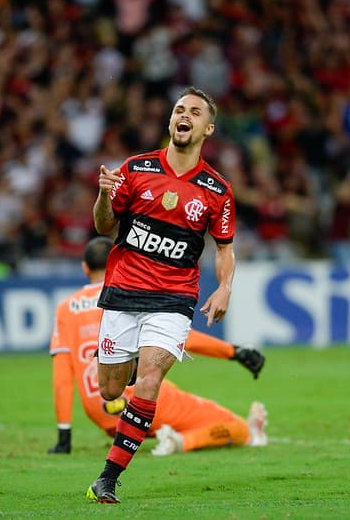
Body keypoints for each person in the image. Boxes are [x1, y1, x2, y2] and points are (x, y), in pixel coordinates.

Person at [86, 87, 236, 504]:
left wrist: (225, 287)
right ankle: (131, 363)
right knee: (111, 390)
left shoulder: (217, 189)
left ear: (208, 129)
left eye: (195, 112)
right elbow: (103, 226)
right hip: (124, 290)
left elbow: (225, 249)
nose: (184, 115)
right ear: (171, 121)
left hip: (174, 298)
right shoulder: (136, 169)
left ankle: (108, 478)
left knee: (150, 381)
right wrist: (104, 194)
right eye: (179, 109)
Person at [47, 236, 267, 456]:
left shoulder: (66, 308)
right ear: (120, 260)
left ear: (85, 268)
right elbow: (181, 338)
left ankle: (170, 435)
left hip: (102, 413)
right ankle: (182, 441)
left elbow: (62, 377)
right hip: (143, 401)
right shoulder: (130, 293)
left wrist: (64, 436)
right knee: (236, 427)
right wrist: (234, 352)